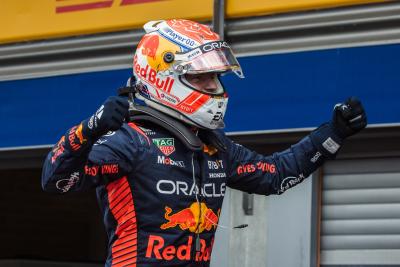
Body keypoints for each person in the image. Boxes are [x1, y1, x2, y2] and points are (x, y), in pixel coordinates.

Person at [42, 19, 367, 267]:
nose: (214, 86)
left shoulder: (213, 147)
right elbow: (57, 182)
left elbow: (275, 175)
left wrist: (333, 134)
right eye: (201, 77)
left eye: (216, 76)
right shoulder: (130, 141)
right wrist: (88, 130)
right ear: (161, 78)